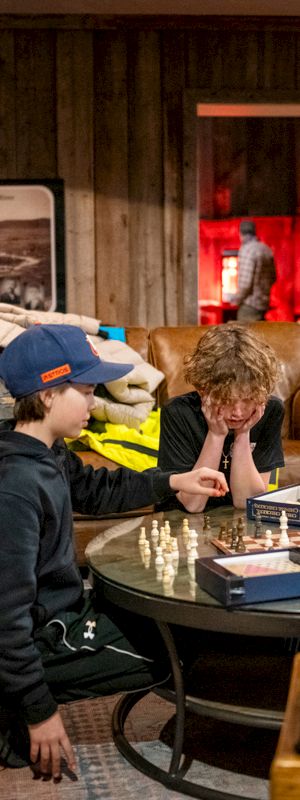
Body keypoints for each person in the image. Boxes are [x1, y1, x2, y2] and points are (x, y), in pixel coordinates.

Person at [0, 323, 228, 779]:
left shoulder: (47, 450)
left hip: (65, 610)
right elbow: (5, 620)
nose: (92, 402)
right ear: (47, 394)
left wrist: (173, 480)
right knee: (184, 645)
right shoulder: (16, 486)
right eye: (84, 390)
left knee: (175, 615)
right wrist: (39, 712)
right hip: (45, 637)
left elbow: (96, 489)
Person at [158, 323, 284, 513]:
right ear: (204, 391)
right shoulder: (177, 412)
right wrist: (216, 435)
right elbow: (193, 504)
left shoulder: (270, 410)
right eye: (227, 400)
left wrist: (243, 434)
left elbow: (246, 502)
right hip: (181, 522)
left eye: (248, 399)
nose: (238, 412)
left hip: (235, 523)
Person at [234, 219, 276, 321]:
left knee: (244, 336)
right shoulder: (266, 249)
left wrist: (236, 300)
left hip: (249, 306)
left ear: (241, 234)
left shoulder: (246, 250)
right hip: (263, 305)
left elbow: (245, 284)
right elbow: (274, 277)